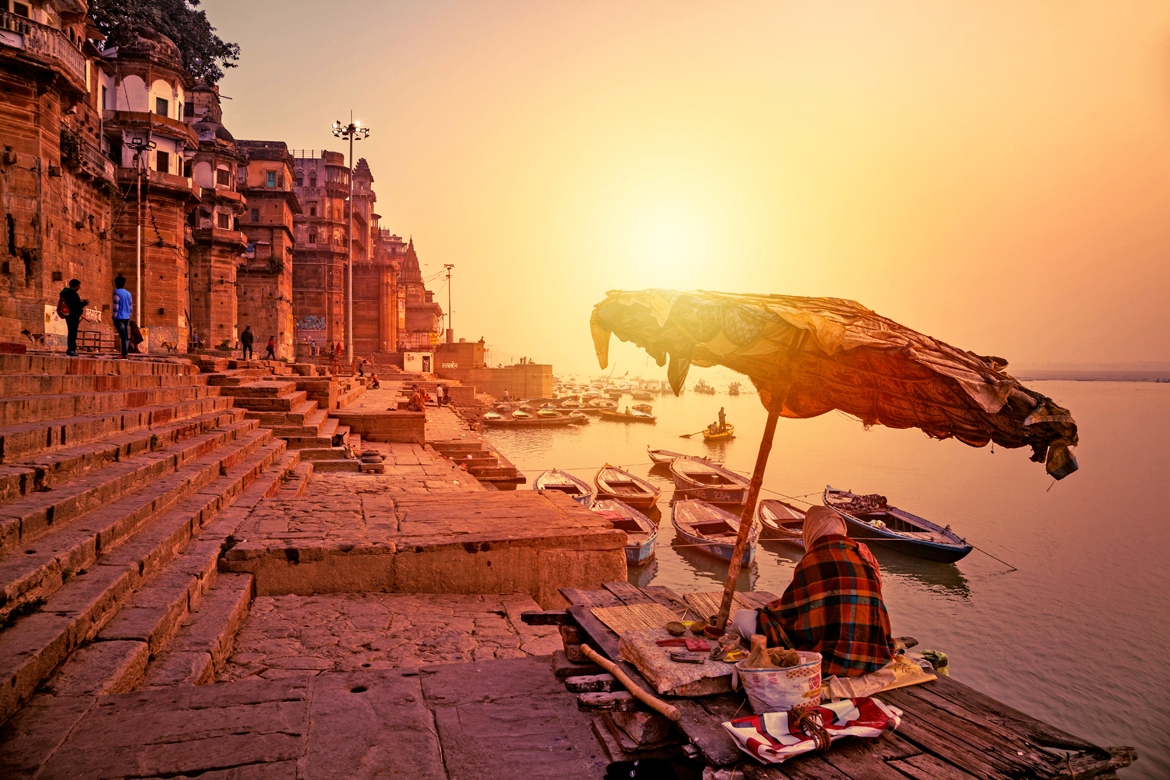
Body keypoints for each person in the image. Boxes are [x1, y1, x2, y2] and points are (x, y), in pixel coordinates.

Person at [735, 506, 895, 678]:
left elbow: (789, 614)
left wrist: (770, 609)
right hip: (873, 654)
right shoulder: (863, 555)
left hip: (831, 658)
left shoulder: (813, 560)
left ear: (810, 530)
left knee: (741, 618)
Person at [59, 278, 88, 356]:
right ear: (76, 286)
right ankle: (71, 350)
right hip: (73, 315)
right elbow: (77, 305)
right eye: (78, 286)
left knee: (70, 332)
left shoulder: (64, 293)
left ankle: (70, 349)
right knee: (73, 333)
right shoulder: (73, 293)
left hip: (68, 314)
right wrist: (84, 303)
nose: (79, 288)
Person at [112, 275, 132, 359]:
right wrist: (128, 316)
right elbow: (131, 307)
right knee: (125, 336)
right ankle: (125, 353)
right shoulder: (128, 294)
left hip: (119, 317)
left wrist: (114, 317)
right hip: (126, 317)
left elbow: (116, 306)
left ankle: (124, 353)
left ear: (116, 283)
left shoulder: (117, 292)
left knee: (123, 336)